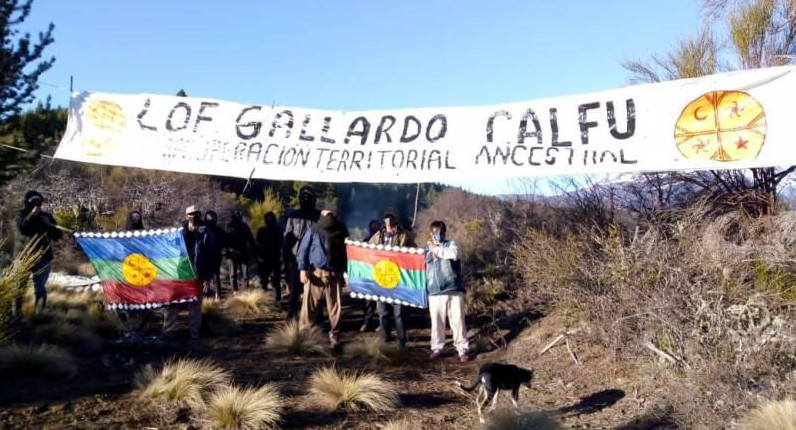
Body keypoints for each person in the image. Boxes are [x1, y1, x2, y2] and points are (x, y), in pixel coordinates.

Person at [297, 207, 348, 350]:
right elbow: (304, 250)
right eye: (327, 215)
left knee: (335, 310)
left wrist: (346, 272)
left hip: (334, 275)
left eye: (330, 215)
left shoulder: (341, 231)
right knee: (309, 308)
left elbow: (346, 252)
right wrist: (302, 269)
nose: (328, 218)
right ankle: (304, 339)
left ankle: (335, 339)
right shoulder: (314, 229)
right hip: (315, 274)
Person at [163, 205, 215, 340]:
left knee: (195, 305)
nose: (194, 216)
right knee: (172, 303)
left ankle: (194, 333)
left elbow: (210, 256)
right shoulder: (178, 232)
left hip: (197, 274)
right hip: (178, 273)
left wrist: (208, 278)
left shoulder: (206, 233)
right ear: (187, 216)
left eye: (197, 213)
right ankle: (168, 331)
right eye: (191, 214)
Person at [426, 220, 471, 362]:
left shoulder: (452, 245)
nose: (438, 234)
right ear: (430, 233)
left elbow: (454, 255)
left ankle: (462, 349)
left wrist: (436, 249)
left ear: (445, 232)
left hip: (453, 289)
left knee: (458, 321)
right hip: (434, 292)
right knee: (437, 322)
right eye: (435, 232)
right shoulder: (425, 251)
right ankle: (437, 348)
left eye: (440, 232)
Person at [369, 211, 415, 347]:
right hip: (381, 279)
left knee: (399, 313)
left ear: (396, 219)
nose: (389, 220)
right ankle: (385, 340)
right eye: (387, 218)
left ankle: (401, 341)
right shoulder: (377, 236)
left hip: (398, 280)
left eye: (392, 217)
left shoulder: (405, 235)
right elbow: (369, 253)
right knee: (382, 312)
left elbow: (414, 253)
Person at [15, 190, 62, 313]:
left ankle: (39, 316)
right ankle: (15, 317)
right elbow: (23, 229)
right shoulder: (21, 215)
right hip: (23, 257)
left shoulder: (46, 216)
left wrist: (49, 225)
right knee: (18, 288)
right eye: (33, 202)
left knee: (40, 289)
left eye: (38, 201)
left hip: (43, 257)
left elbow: (57, 236)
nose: (36, 204)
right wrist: (31, 215)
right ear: (27, 202)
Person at [282, 186, 321, 320]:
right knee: (294, 292)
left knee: (316, 293)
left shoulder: (318, 216)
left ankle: (316, 320)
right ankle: (292, 319)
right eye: (303, 197)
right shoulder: (294, 216)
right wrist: (286, 257)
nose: (305, 200)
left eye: (308, 197)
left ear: (313, 199)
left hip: (314, 260)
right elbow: (287, 237)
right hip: (295, 259)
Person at [359, 219, 381, 332]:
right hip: (368, 276)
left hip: (382, 276)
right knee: (368, 303)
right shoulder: (365, 241)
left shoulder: (384, 242)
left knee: (382, 303)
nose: (375, 230)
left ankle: (383, 324)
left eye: (377, 228)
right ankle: (368, 323)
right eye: (373, 228)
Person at [226, 210, 256, 291]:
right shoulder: (230, 226)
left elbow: (250, 239)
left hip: (243, 252)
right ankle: (236, 290)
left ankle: (243, 290)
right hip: (234, 253)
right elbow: (226, 240)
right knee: (234, 273)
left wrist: (253, 249)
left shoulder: (244, 226)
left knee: (243, 273)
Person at [256, 211, 282, 301]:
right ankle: (275, 298)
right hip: (271, 258)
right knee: (273, 280)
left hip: (267, 258)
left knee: (266, 280)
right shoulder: (278, 230)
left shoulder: (262, 230)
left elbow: (257, 245)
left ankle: (268, 298)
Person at [204, 210, 226, 298]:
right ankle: (209, 294)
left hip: (215, 255)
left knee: (214, 275)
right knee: (208, 276)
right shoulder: (203, 229)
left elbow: (225, 241)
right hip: (206, 256)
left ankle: (217, 294)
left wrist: (222, 250)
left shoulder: (218, 230)